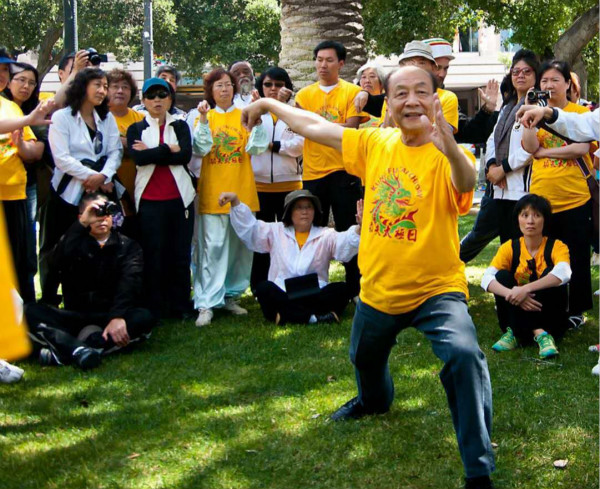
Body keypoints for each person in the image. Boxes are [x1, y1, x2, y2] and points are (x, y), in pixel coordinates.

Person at [242, 65, 495, 489]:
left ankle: (478, 468)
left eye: (421, 92)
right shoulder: (376, 142)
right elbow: (316, 126)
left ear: (435, 100)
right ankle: (373, 402)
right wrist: (270, 103)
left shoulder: (449, 151)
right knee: (364, 359)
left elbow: (465, 183)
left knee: (465, 356)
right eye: (401, 93)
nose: (411, 100)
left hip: (437, 290)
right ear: (389, 105)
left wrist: (450, 147)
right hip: (379, 289)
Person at [25, 193, 154, 369]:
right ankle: (83, 349)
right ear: (82, 217)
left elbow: (129, 284)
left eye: (106, 214)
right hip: (75, 315)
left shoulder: (128, 246)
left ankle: (71, 350)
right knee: (29, 311)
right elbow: (54, 262)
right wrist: (81, 225)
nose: (101, 219)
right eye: (94, 214)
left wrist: (117, 317)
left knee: (143, 317)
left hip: (108, 316)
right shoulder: (73, 242)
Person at [191, 67, 268, 327]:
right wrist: (202, 121)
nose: (224, 89)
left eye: (228, 85)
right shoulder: (204, 117)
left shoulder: (245, 115)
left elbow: (255, 147)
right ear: (211, 91)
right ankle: (206, 302)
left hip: (242, 190)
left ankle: (231, 295)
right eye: (218, 86)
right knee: (212, 247)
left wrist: (257, 120)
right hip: (212, 191)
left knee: (240, 248)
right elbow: (201, 148)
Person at [521, 60, 594, 328]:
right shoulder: (537, 112)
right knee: (547, 256)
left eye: (554, 80)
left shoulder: (579, 111)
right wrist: (529, 116)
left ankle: (577, 309)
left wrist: (546, 152)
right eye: (544, 81)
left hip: (575, 197)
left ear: (567, 83)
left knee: (576, 256)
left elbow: (581, 148)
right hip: (543, 197)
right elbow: (530, 147)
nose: (549, 85)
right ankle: (551, 306)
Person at [42, 67, 123, 305]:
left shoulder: (106, 119)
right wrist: (91, 176)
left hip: (100, 191)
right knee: (61, 247)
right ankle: (51, 300)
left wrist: (104, 176)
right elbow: (61, 158)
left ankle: (96, 299)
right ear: (82, 86)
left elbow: (115, 151)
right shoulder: (62, 117)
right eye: (97, 85)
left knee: (99, 244)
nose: (102, 90)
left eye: (105, 86)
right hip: (67, 193)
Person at [221, 189, 360, 324]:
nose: (304, 212)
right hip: (283, 292)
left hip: (314, 293)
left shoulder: (325, 234)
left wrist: (360, 227)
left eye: (309, 207)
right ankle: (314, 317)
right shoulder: (276, 231)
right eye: (299, 208)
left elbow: (345, 242)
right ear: (290, 212)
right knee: (264, 288)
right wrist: (235, 202)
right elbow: (252, 229)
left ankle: (286, 315)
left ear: (315, 211)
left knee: (342, 289)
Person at [294, 40, 364, 301]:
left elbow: (351, 128)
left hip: (344, 171)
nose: (323, 65)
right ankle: (312, 286)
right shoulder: (304, 95)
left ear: (341, 64)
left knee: (350, 230)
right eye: (319, 59)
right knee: (311, 231)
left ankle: (356, 289)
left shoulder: (352, 92)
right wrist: (332, 125)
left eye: (329, 60)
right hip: (313, 173)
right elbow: (301, 127)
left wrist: (317, 126)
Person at [460, 49, 540, 263]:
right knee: (505, 251)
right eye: (516, 71)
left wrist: (502, 169)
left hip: (523, 192)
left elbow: (531, 149)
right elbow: (492, 139)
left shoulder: (540, 106)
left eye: (527, 71)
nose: (520, 75)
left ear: (536, 75)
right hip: (499, 192)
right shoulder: (508, 107)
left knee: (521, 254)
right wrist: (492, 167)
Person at [126, 77, 195, 320]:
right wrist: (168, 150)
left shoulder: (180, 126)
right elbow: (139, 159)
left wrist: (154, 151)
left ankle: (180, 304)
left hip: (180, 199)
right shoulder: (136, 128)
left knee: (179, 254)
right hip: (149, 200)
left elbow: (185, 155)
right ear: (143, 100)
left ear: (170, 98)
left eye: (162, 95)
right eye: (151, 96)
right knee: (153, 254)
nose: (157, 100)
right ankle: (155, 305)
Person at [481, 194, 571, 358]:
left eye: (537, 215)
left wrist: (525, 289)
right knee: (501, 276)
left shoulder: (556, 246)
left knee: (550, 273)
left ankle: (522, 333)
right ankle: (539, 333)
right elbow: (486, 278)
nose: (530, 221)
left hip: (550, 318)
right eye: (525, 215)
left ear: (545, 220)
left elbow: (564, 272)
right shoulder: (509, 247)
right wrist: (513, 294)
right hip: (515, 312)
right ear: (518, 219)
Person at [249, 66, 304, 290]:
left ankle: (290, 281)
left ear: (287, 88)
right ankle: (259, 285)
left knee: (289, 236)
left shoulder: (294, 112)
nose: (273, 89)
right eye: (268, 85)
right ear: (260, 88)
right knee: (261, 238)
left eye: (279, 85)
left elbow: (299, 146)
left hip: (289, 184)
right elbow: (249, 145)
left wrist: (271, 145)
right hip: (258, 185)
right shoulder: (252, 111)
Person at [0, 50, 44, 304]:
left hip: (15, 193)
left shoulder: (11, 107)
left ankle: (26, 322)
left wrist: (24, 147)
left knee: (19, 263)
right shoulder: (20, 112)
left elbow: (33, 148)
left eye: (6, 71)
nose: (2, 76)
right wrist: (28, 119)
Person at [355, 41, 459, 132]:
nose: (415, 67)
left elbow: (444, 135)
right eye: (410, 63)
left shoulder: (447, 98)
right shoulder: (392, 98)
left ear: (433, 68)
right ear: (402, 67)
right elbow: (385, 134)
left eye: (421, 62)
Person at [107, 68, 144, 235]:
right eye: (115, 86)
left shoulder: (141, 118)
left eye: (125, 87)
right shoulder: (99, 118)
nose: (120, 91)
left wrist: (121, 143)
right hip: (110, 191)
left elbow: (148, 148)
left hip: (139, 192)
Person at [354, 62, 387, 127]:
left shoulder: (387, 102)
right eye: (363, 77)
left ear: (381, 82)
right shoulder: (353, 101)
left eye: (372, 76)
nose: (367, 81)